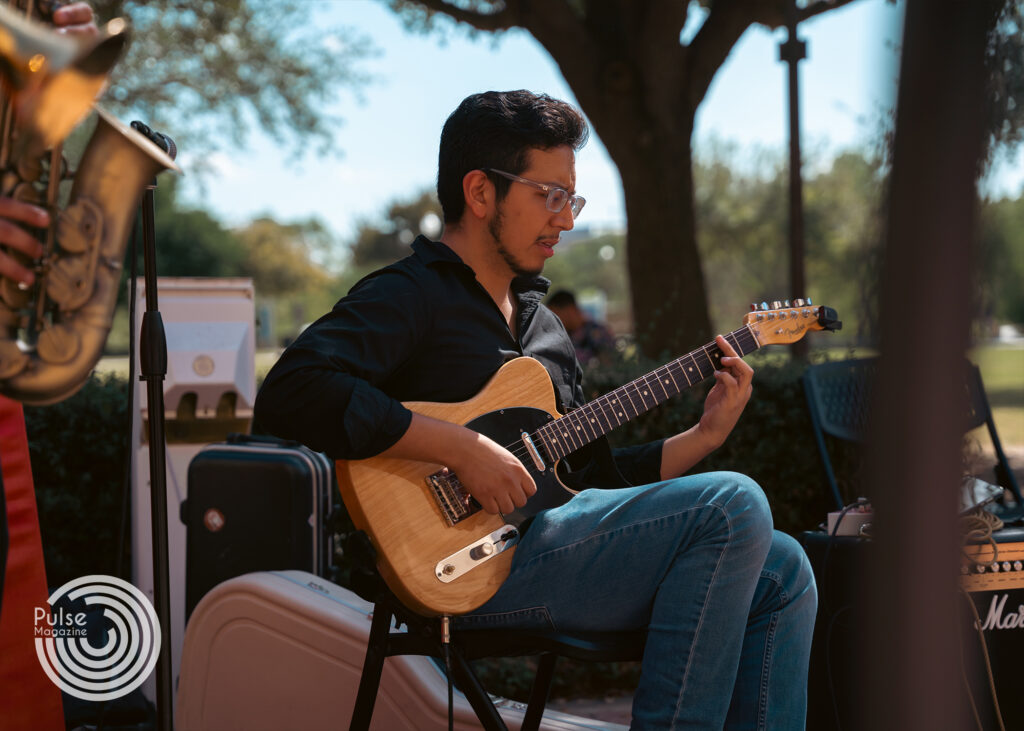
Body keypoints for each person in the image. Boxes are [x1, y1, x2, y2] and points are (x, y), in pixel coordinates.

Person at [254, 89, 816, 730]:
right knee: (734, 501)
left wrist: (702, 437)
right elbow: (292, 389)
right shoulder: (409, 295)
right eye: (550, 195)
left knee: (784, 566)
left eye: (571, 199)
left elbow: (589, 486)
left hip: (555, 545)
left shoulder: (545, 329)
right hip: (461, 564)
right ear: (481, 192)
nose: (567, 219)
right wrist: (459, 447)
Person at [546, 288, 617, 366]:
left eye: (555, 315)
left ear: (570, 309)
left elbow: (611, 366)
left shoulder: (598, 333)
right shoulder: (562, 336)